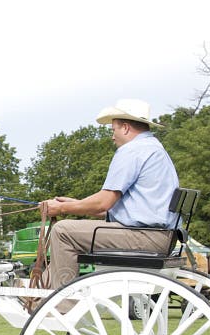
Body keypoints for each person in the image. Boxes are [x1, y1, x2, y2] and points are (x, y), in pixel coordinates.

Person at [40, 99, 179, 289]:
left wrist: (62, 208)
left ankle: (62, 304)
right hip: (161, 236)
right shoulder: (154, 149)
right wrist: (76, 204)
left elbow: (103, 203)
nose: (112, 136)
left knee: (62, 231)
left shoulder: (132, 151)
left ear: (126, 128)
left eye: (113, 130)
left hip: (146, 237)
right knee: (66, 231)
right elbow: (119, 210)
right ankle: (39, 294)